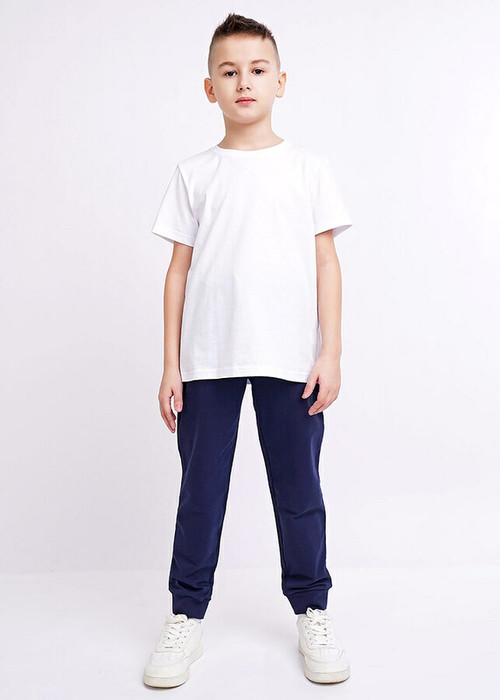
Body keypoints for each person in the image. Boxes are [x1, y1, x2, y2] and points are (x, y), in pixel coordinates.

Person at [143, 12, 353, 688]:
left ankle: (313, 610)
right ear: (209, 88)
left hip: (291, 359)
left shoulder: (308, 169)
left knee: (299, 492)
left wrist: (331, 353)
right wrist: (171, 364)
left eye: (257, 70)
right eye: (229, 72)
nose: (244, 82)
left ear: (280, 81)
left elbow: (326, 263)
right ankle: (186, 616)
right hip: (208, 360)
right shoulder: (195, 173)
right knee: (200, 494)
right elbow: (178, 271)